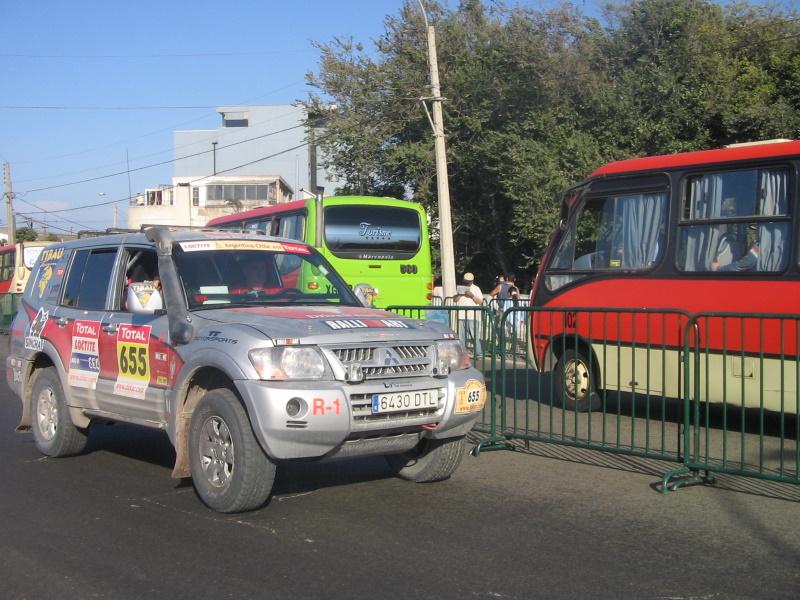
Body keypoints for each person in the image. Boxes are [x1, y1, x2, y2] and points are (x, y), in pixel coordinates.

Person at [454, 272, 483, 357]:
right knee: (461, 337)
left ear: (472, 281)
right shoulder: (460, 288)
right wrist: (459, 294)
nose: (466, 282)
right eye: (465, 281)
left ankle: (479, 353)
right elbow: (455, 300)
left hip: (472, 316)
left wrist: (472, 296)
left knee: (474, 336)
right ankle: (462, 353)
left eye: (468, 281)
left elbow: (480, 301)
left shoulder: (476, 289)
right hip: (461, 315)